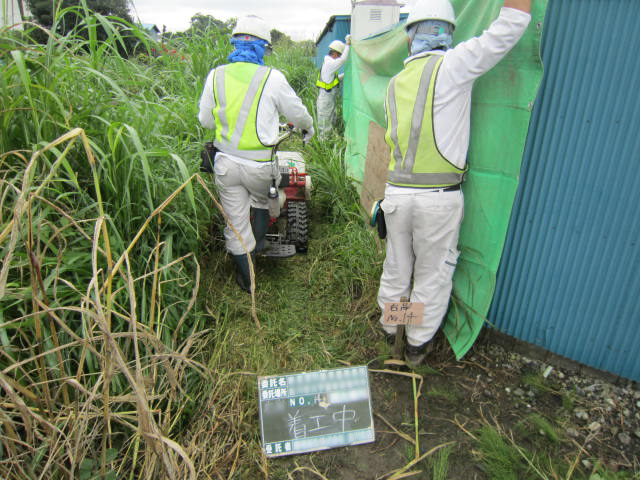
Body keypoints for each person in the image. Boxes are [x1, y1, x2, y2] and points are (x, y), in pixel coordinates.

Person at [377, 0, 531, 367]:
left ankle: (390, 331)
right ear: (448, 32)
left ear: (409, 36)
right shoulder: (452, 66)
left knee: (398, 267)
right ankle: (415, 346)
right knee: (432, 273)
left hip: (396, 196)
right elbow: (509, 27)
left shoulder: (394, 84)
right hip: (437, 200)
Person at [198, 15, 314, 293]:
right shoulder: (273, 78)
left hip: (225, 163)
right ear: (263, 48)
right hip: (260, 165)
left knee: (235, 222)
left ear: (235, 43)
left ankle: (246, 279)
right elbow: (296, 114)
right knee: (262, 203)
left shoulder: (216, 75)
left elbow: (205, 121)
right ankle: (260, 243)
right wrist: (307, 128)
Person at [316, 36, 351, 139]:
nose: (339, 57)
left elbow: (332, 81)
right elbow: (343, 60)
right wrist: (348, 44)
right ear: (335, 53)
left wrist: (343, 76)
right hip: (325, 100)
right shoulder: (329, 63)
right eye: (339, 54)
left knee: (330, 123)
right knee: (325, 127)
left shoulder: (328, 64)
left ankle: (327, 144)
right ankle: (323, 150)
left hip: (328, 99)